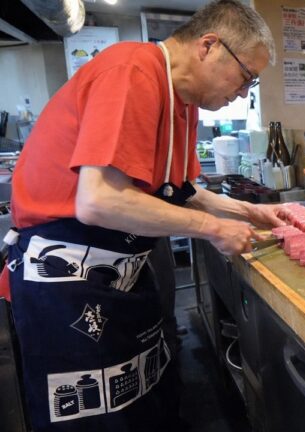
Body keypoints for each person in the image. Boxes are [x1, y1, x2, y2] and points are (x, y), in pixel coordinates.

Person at [0, 1, 286, 430]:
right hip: (66, 285)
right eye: (246, 77)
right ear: (208, 46)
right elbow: (99, 200)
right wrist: (213, 228)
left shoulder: (184, 102)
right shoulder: (132, 70)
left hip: (121, 279)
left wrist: (249, 211)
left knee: (145, 403)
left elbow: (179, 191)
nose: (244, 93)